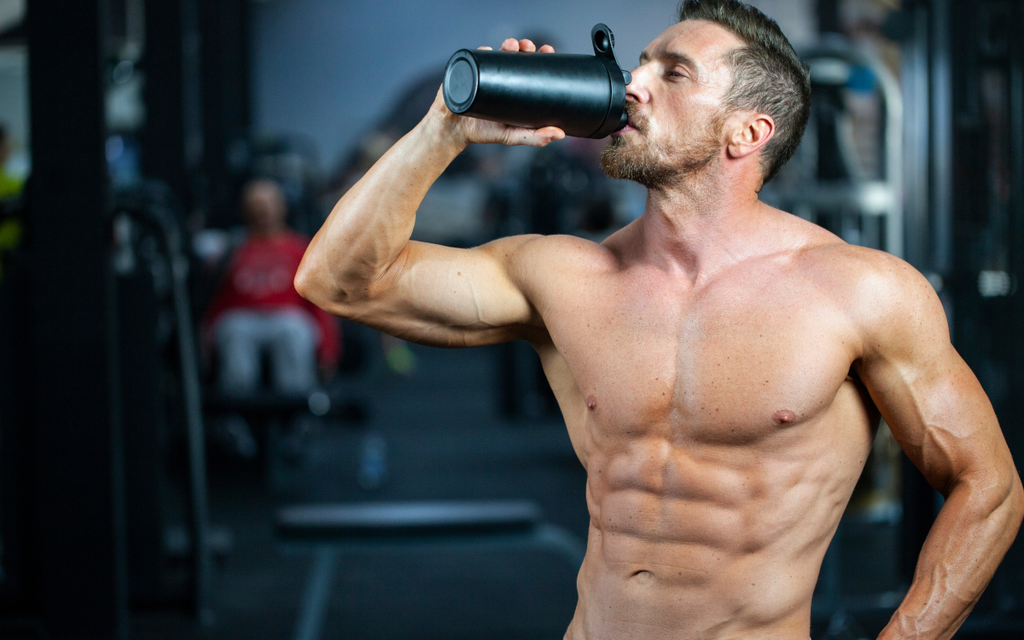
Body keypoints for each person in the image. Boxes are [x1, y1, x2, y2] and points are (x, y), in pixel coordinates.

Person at [295, 1, 1024, 638]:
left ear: (746, 134)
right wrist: (444, 131)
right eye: (640, 65)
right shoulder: (564, 276)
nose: (633, 86)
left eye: (671, 74)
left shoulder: (859, 293)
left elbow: (987, 488)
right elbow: (338, 282)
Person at [205, 178, 339, 398]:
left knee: (293, 331)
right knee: (234, 331)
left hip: (287, 321)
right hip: (242, 321)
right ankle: (237, 409)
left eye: (267, 204)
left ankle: (296, 408)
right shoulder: (232, 251)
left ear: (281, 207)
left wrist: (328, 351)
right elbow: (219, 301)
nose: (262, 211)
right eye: (255, 205)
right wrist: (206, 341)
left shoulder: (301, 249)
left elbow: (320, 303)